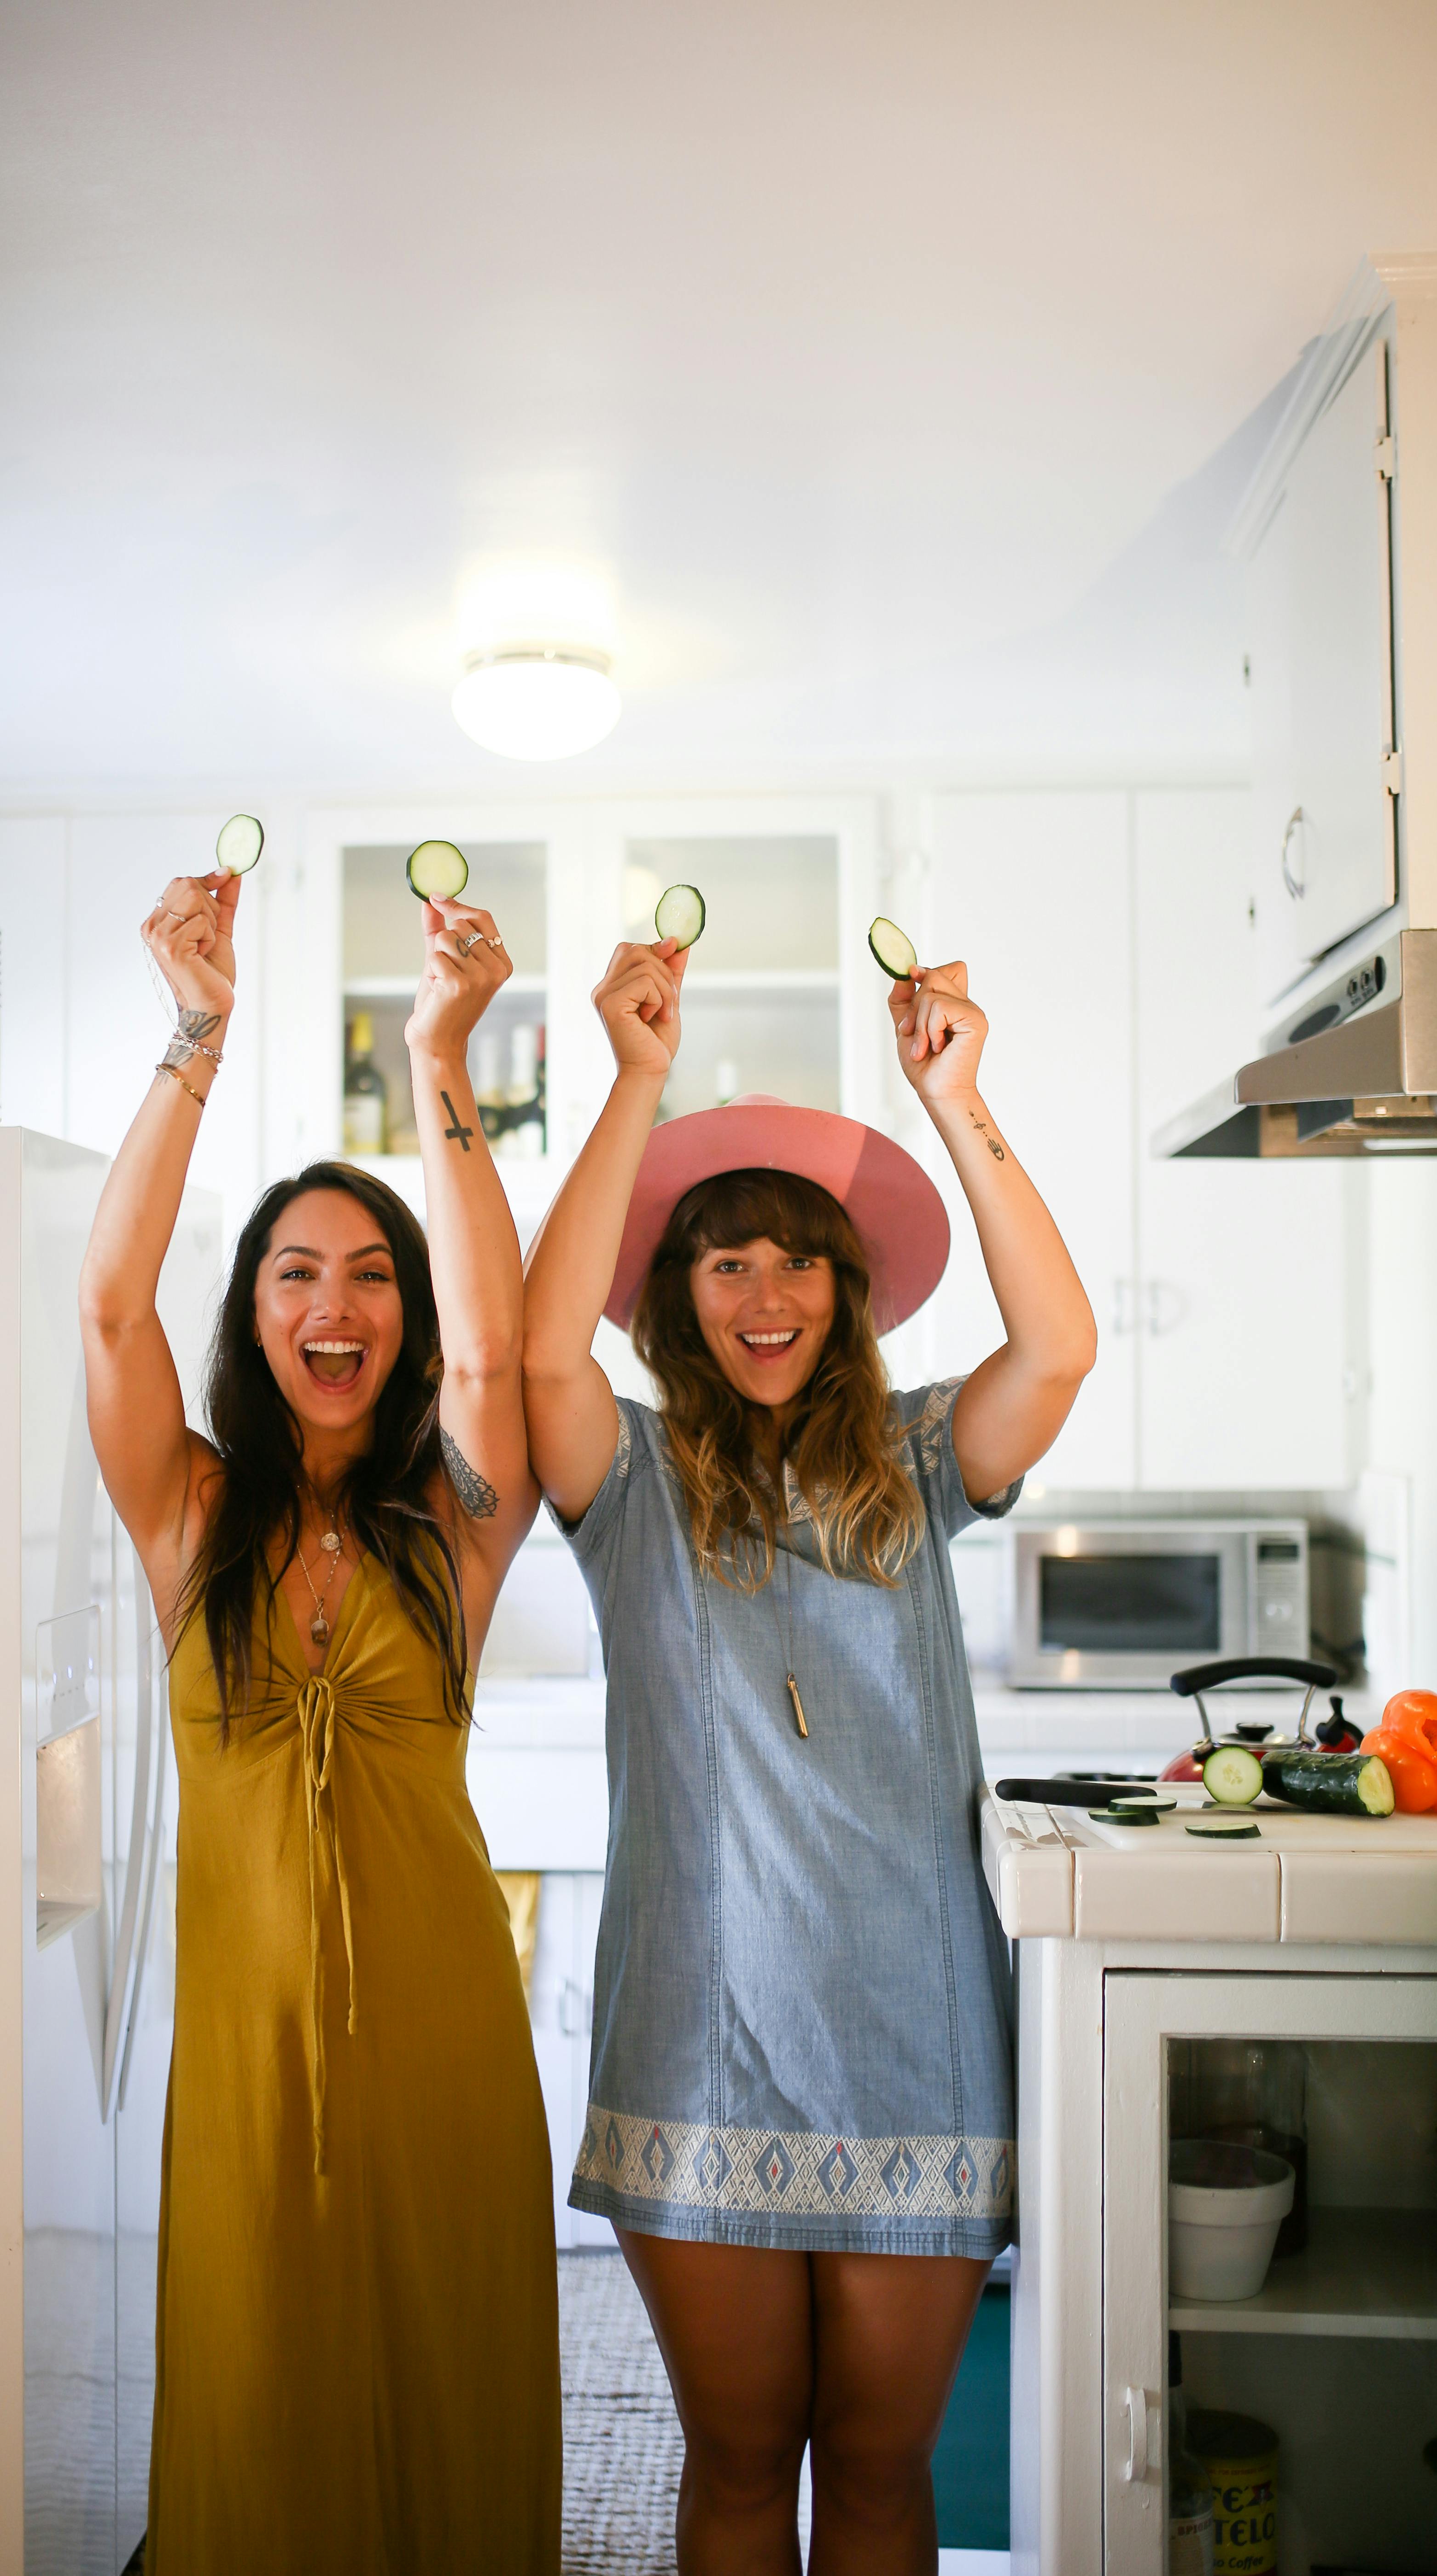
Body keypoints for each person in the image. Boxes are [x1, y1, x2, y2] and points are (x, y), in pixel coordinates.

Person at [520, 935, 1095, 2576]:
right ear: (674, 1297)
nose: (763, 1294)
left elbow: (1054, 1351)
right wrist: (636, 1082)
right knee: (732, 2458)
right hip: (697, 2045)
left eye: (796, 1261)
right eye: (722, 1264)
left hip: (917, 2039)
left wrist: (957, 1100)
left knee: (877, 2468)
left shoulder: (917, 1457)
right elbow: (541, 1356)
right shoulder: (622, 1478)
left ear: (845, 1287)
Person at [80, 864, 561, 2573]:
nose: (334, 1304)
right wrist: (193, 1036)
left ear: (405, 1321)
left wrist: (443, 1048)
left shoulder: (457, 1530)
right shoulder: (188, 1517)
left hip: (444, 2050)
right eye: (296, 1274)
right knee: (254, 2396)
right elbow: (107, 1305)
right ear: (258, 1312)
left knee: (449, 2389)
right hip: (242, 2073)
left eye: (370, 1275)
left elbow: (507, 1361)